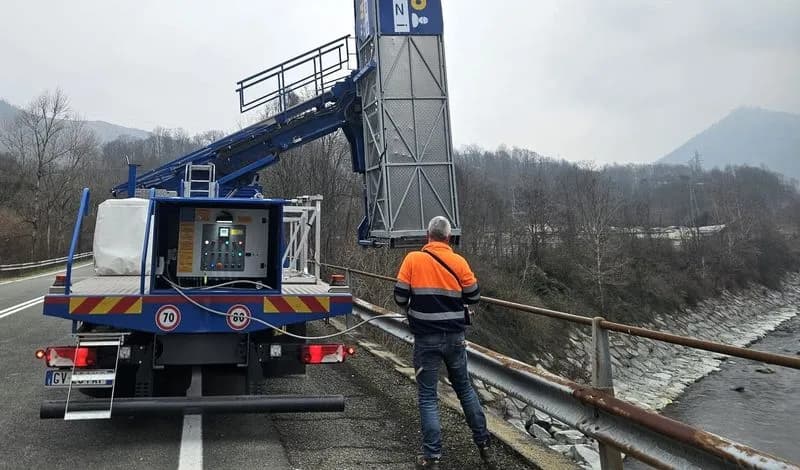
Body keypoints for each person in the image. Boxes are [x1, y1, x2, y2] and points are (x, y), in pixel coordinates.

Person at [394, 216, 495, 470]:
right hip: (455, 338)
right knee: (464, 389)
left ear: (428, 235)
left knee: (428, 397)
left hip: (426, 338)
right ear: (448, 238)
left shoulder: (413, 260)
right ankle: (484, 445)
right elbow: (473, 296)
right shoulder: (459, 262)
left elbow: (399, 296)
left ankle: (432, 458)